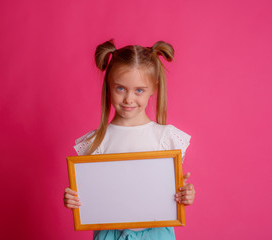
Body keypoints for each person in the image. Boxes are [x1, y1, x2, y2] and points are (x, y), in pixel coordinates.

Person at [64, 39, 196, 240]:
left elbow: (170, 193)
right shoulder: (95, 142)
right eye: (121, 88)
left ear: (153, 88)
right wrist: (75, 200)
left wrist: (185, 195)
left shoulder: (166, 138)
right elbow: (91, 196)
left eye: (139, 90)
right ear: (109, 86)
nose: (129, 99)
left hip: (157, 234)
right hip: (110, 234)